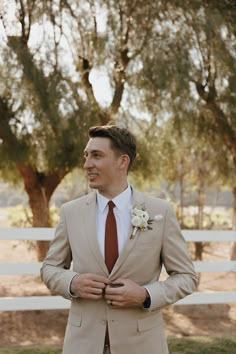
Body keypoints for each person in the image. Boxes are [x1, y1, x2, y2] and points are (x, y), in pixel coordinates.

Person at [41, 125, 197, 354]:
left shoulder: (160, 213)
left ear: (122, 161)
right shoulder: (70, 212)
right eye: (86, 156)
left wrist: (145, 295)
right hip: (83, 344)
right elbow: (50, 268)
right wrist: (72, 283)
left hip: (142, 345)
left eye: (96, 155)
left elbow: (186, 277)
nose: (87, 164)